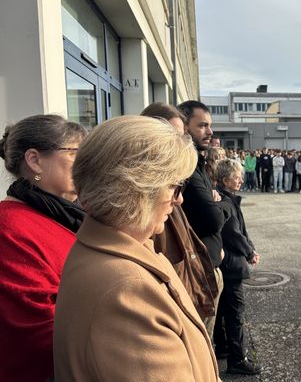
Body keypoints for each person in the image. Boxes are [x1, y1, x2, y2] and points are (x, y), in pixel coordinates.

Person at [54, 116, 219, 381]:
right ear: (136, 191)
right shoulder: (127, 292)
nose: (179, 199)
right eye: (175, 186)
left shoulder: (113, 249)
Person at [0, 114, 86, 382]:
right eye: (74, 154)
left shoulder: (62, 214)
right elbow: (38, 329)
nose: (85, 165)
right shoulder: (9, 227)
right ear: (35, 160)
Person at [141, 103, 219, 335]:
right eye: (172, 137)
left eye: (181, 136)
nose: (179, 199)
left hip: (191, 283)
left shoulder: (180, 175)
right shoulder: (144, 195)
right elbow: (211, 218)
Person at [177, 100, 230, 341]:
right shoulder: (187, 169)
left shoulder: (197, 163)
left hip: (205, 266)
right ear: (185, 127)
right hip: (198, 272)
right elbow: (213, 219)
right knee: (201, 340)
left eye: (210, 126)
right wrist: (223, 203)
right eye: (203, 126)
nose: (210, 132)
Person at [214, 159, 262, 375]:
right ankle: (237, 359)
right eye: (237, 177)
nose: (241, 180)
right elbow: (234, 233)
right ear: (225, 180)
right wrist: (250, 252)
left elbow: (241, 231)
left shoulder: (227, 199)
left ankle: (224, 348)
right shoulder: (226, 202)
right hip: (231, 265)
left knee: (224, 309)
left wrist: (250, 247)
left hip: (227, 262)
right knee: (235, 313)